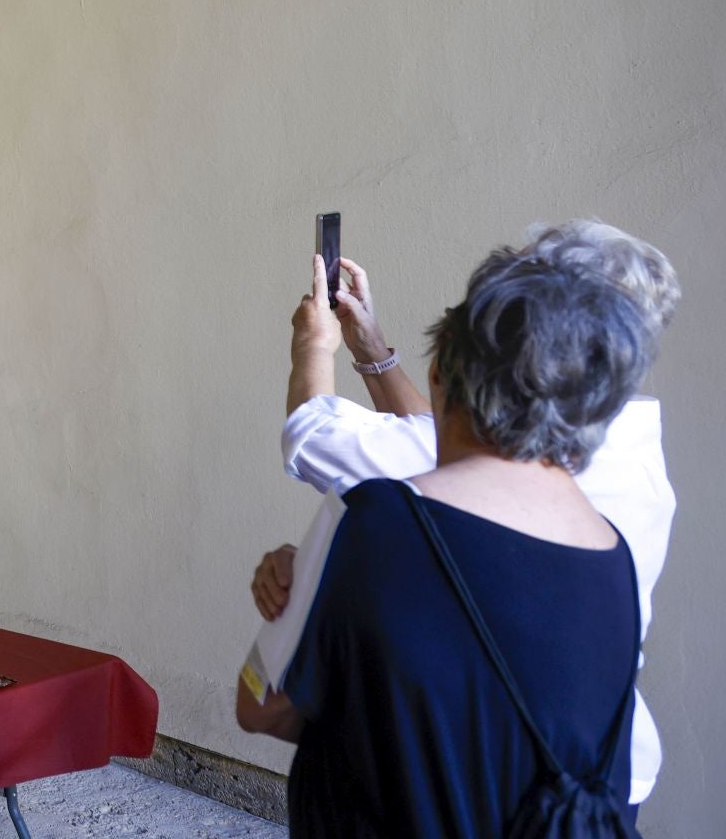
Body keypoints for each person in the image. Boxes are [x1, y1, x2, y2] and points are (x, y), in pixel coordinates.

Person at [237, 238, 662, 836]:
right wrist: (373, 350)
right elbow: (440, 446)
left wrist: (314, 344)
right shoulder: (611, 535)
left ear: (441, 374)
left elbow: (259, 704)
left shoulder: (376, 521)